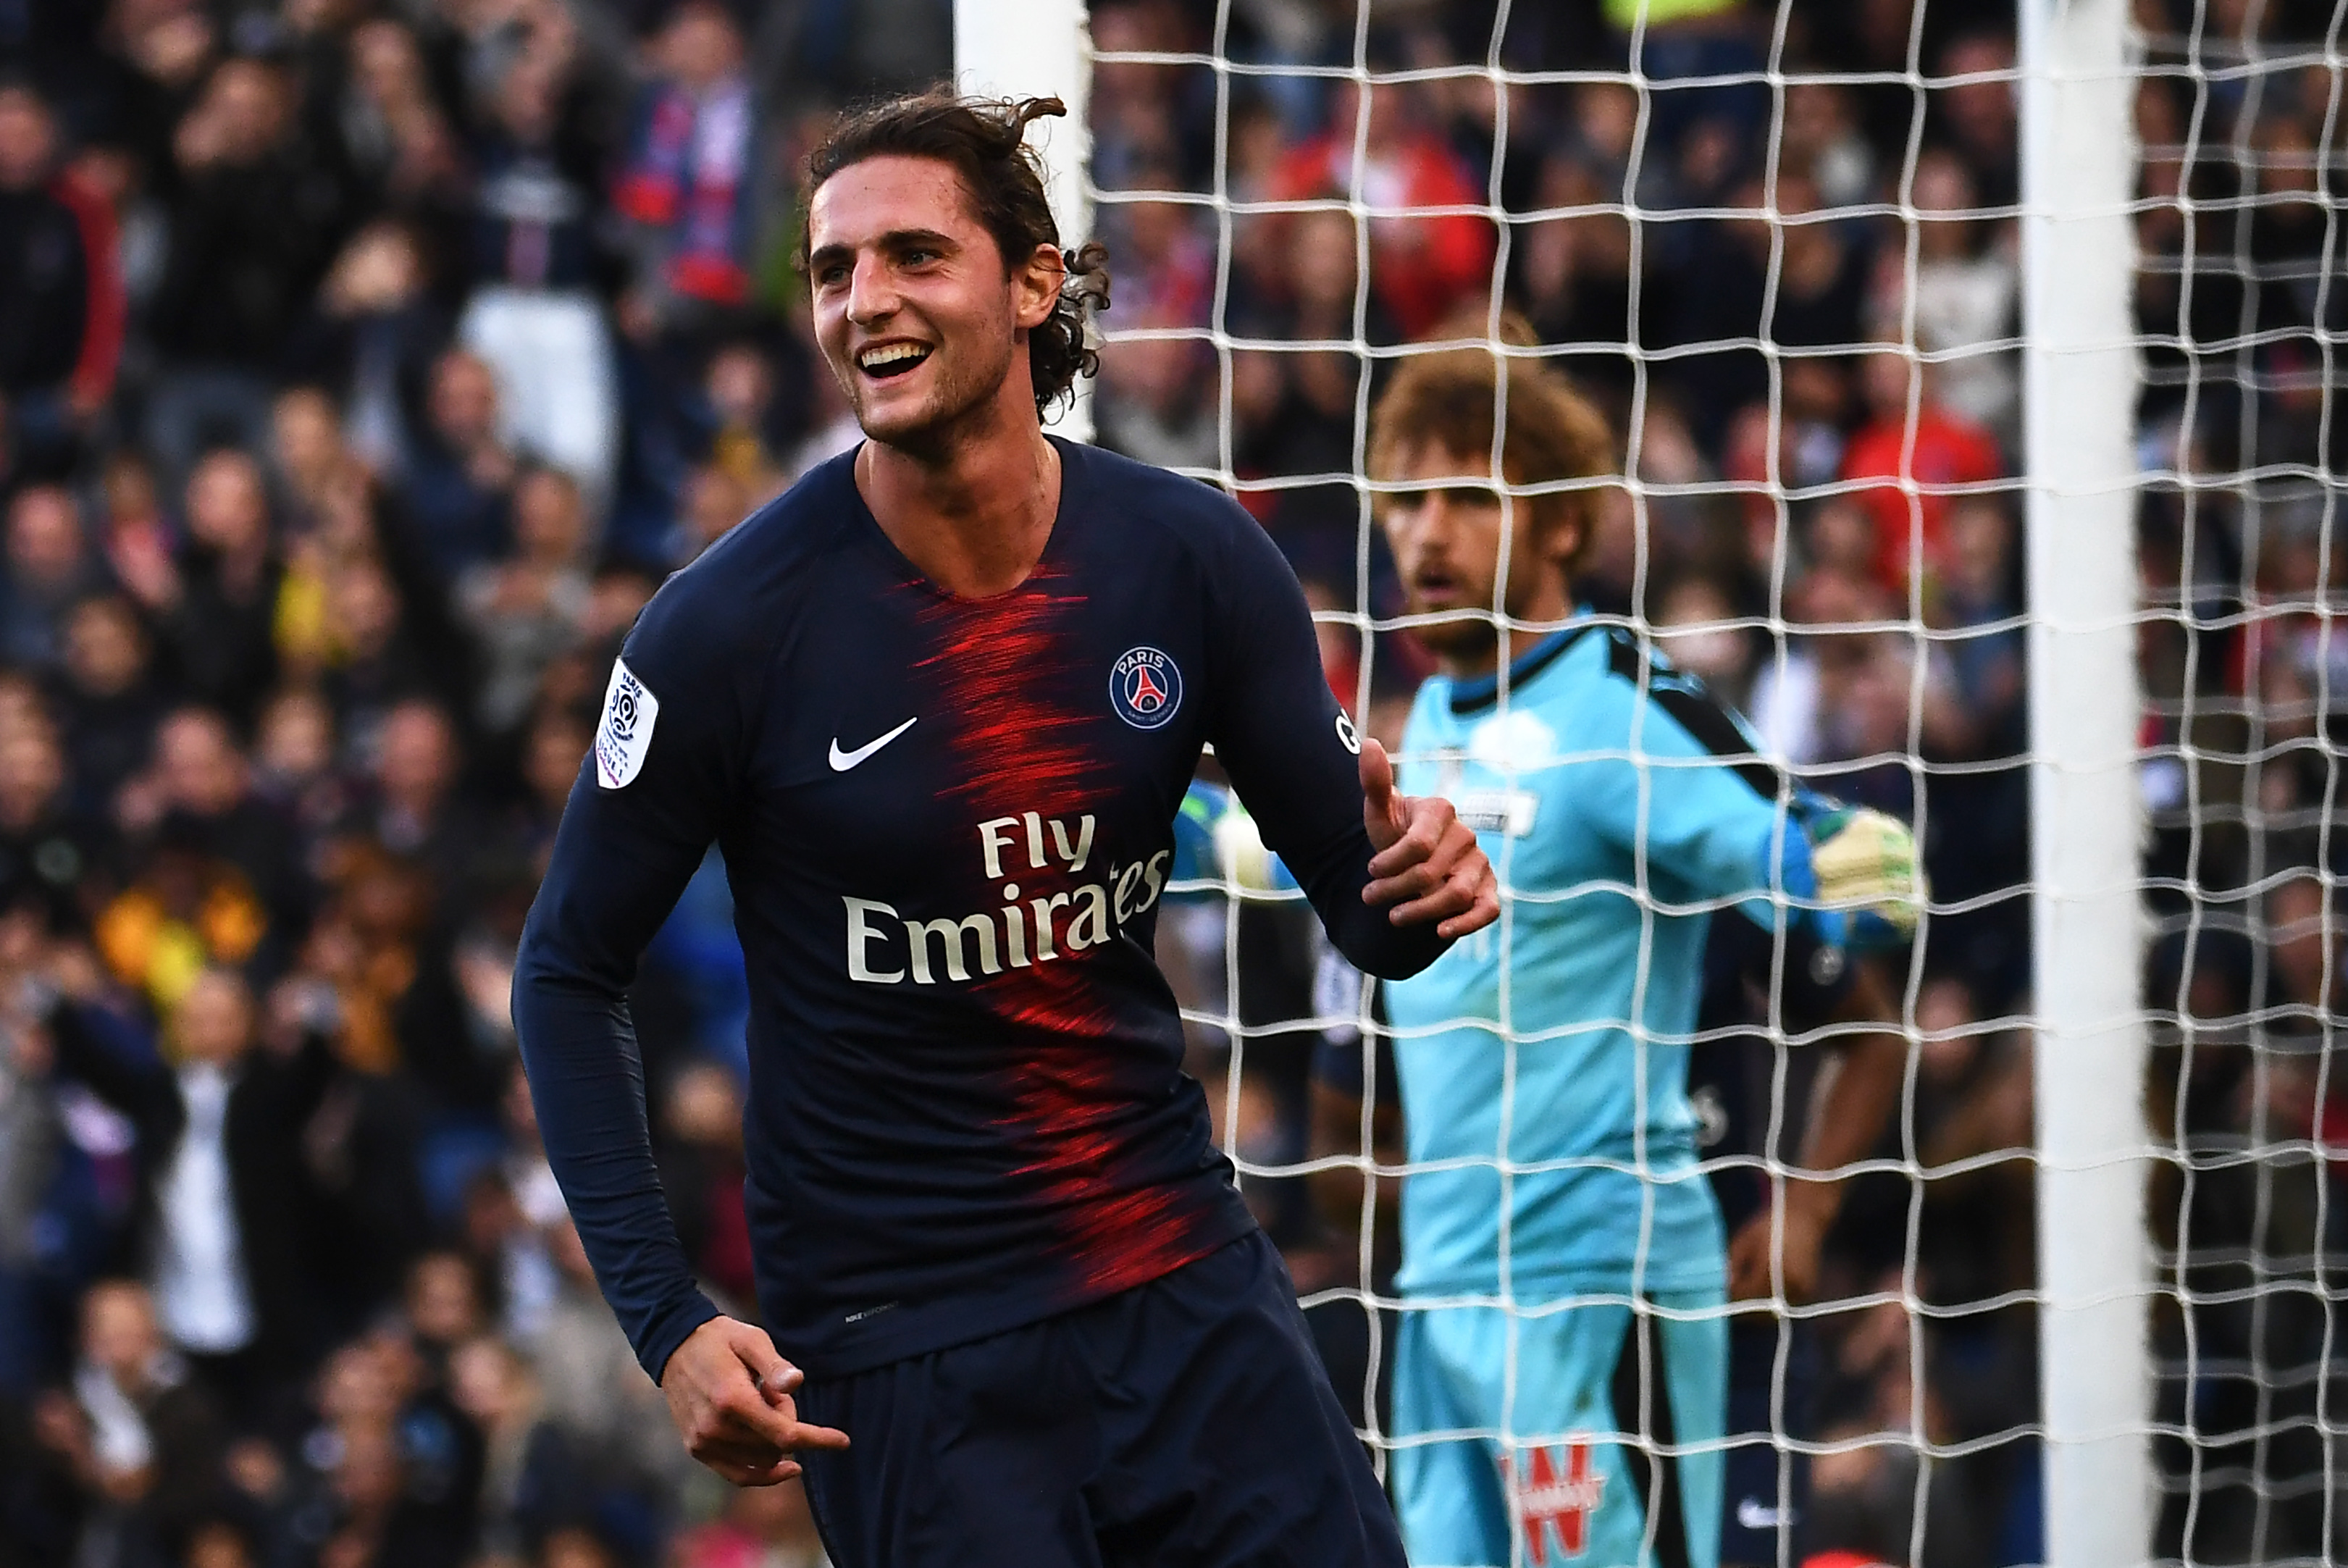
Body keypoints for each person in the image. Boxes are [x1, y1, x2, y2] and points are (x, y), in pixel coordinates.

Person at [511, 90, 1498, 1568]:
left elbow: (1365, 914)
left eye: (915, 254)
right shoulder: (722, 630)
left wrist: (1416, 884)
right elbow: (566, 972)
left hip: (1179, 1283)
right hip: (907, 1355)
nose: (865, 302)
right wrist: (668, 1324)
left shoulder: (1189, 560)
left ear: (1037, 282)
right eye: (833, 270)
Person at [1367, 326, 1914, 1568]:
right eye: (1406, 500)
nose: (1426, 532)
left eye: (1467, 496)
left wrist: (1839, 865)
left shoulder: (1620, 695)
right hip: (1441, 1287)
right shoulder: (1429, 728)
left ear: (1560, 523)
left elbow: (1793, 859)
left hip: (1599, 1278)